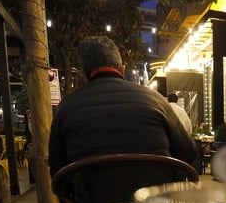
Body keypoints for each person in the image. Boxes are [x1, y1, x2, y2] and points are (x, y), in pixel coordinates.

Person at [48, 36, 198, 176]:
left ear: (83, 76)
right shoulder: (156, 100)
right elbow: (189, 153)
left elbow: (57, 171)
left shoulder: (66, 108)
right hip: (154, 201)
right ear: (122, 70)